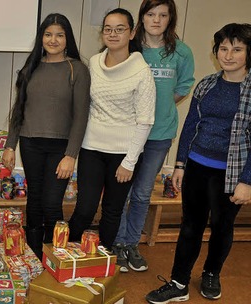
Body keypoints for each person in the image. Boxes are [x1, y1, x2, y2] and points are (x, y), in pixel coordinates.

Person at [146, 23, 251, 304]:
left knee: (221, 226)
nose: (228, 55)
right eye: (223, 48)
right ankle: (179, 282)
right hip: (196, 166)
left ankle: (211, 274)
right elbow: (191, 124)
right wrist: (180, 164)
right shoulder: (207, 83)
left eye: (237, 49)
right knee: (190, 225)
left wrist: (247, 180)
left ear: (248, 54)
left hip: (231, 173)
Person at [115, 0, 195, 273]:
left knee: (141, 193)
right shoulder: (129, 45)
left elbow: (183, 87)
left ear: (170, 18)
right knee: (120, 192)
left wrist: (158, 109)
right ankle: (117, 243)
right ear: (142, 17)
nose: (156, 20)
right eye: (151, 14)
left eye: (163, 15)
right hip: (126, 132)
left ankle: (131, 244)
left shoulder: (181, 52)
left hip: (159, 134)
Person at [2, 13, 90, 259]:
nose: (53, 40)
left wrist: (71, 155)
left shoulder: (78, 70)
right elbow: (18, 110)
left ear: (67, 39)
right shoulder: (31, 68)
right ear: (41, 37)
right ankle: (33, 255)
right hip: (30, 144)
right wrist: (10, 145)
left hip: (60, 149)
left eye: (60, 35)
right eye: (48, 34)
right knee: (35, 201)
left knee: (52, 203)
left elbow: (81, 116)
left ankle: (54, 257)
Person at [67, 8, 156, 250]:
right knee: (84, 209)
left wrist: (130, 161)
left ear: (132, 32)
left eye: (120, 29)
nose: (113, 34)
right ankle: (65, 256)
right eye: (108, 29)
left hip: (123, 155)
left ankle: (103, 260)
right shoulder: (94, 63)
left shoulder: (141, 72)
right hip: (91, 148)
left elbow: (145, 120)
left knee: (112, 210)